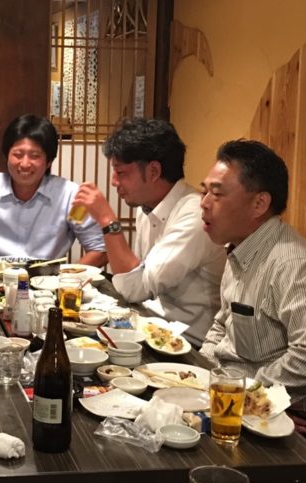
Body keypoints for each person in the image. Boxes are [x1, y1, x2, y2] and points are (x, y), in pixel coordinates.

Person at [198, 139, 306, 453]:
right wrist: (202, 379)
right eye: (204, 191)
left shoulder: (293, 264)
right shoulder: (241, 248)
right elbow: (221, 326)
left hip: (302, 414)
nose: (204, 203)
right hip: (241, 395)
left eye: (217, 193)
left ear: (259, 204)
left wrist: (258, 398)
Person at [72, 118, 226, 341]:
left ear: (154, 171)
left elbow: (135, 288)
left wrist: (107, 220)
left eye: (121, 173)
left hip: (188, 343)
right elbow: (137, 276)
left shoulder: (194, 214)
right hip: (151, 326)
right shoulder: (146, 207)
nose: (114, 182)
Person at [0, 114, 107, 266]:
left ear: (49, 161)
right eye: (17, 154)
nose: (24, 164)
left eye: (35, 156)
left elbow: (99, 249)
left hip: (48, 283)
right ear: (7, 156)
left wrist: (66, 279)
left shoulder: (72, 198)